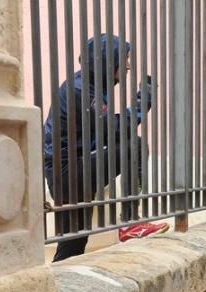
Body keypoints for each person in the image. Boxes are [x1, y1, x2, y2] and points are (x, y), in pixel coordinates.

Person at [42, 34, 168, 263]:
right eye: (125, 58)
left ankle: (61, 289)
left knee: (74, 242)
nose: (128, 65)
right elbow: (112, 127)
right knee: (135, 146)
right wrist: (143, 100)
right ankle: (131, 222)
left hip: (74, 167)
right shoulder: (80, 89)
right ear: (108, 60)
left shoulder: (91, 87)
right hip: (69, 170)